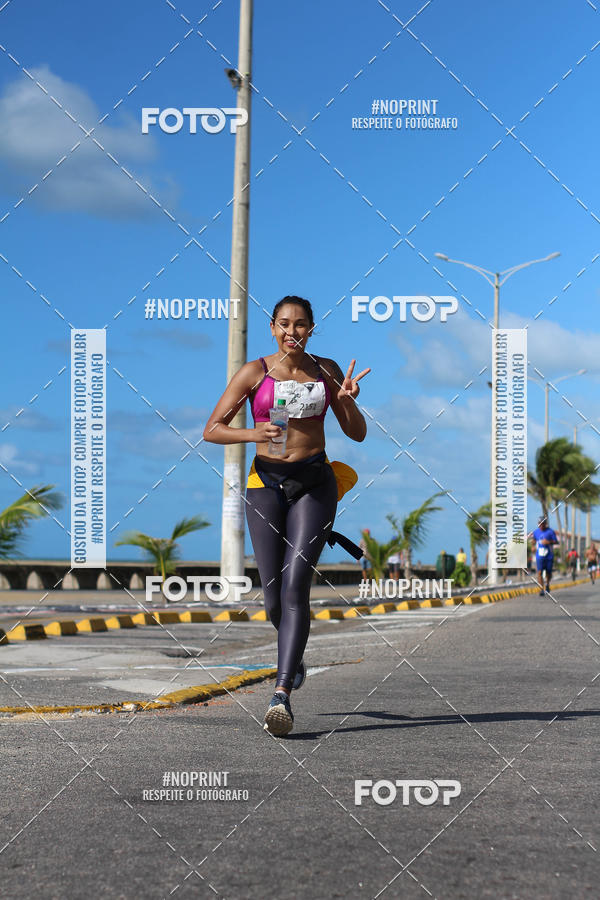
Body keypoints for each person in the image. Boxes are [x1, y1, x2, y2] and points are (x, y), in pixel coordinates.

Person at [204, 295, 370, 736]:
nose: (292, 331)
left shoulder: (326, 370)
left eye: (300, 324)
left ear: (312, 328)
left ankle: (281, 694)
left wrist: (347, 400)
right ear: (272, 328)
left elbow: (356, 433)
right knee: (274, 596)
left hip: (315, 483)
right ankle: (293, 660)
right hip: (266, 485)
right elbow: (212, 429)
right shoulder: (254, 372)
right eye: (283, 324)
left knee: (297, 585)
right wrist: (252, 432)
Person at [531, 515, 559, 595]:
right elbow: (534, 540)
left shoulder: (550, 532)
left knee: (548, 572)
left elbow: (556, 542)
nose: (541, 525)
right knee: (539, 572)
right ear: (538, 524)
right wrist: (533, 546)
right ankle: (541, 589)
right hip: (539, 556)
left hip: (549, 556)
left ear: (545, 524)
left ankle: (547, 584)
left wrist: (549, 542)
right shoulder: (536, 532)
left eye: (543, 524)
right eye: (540, 523)